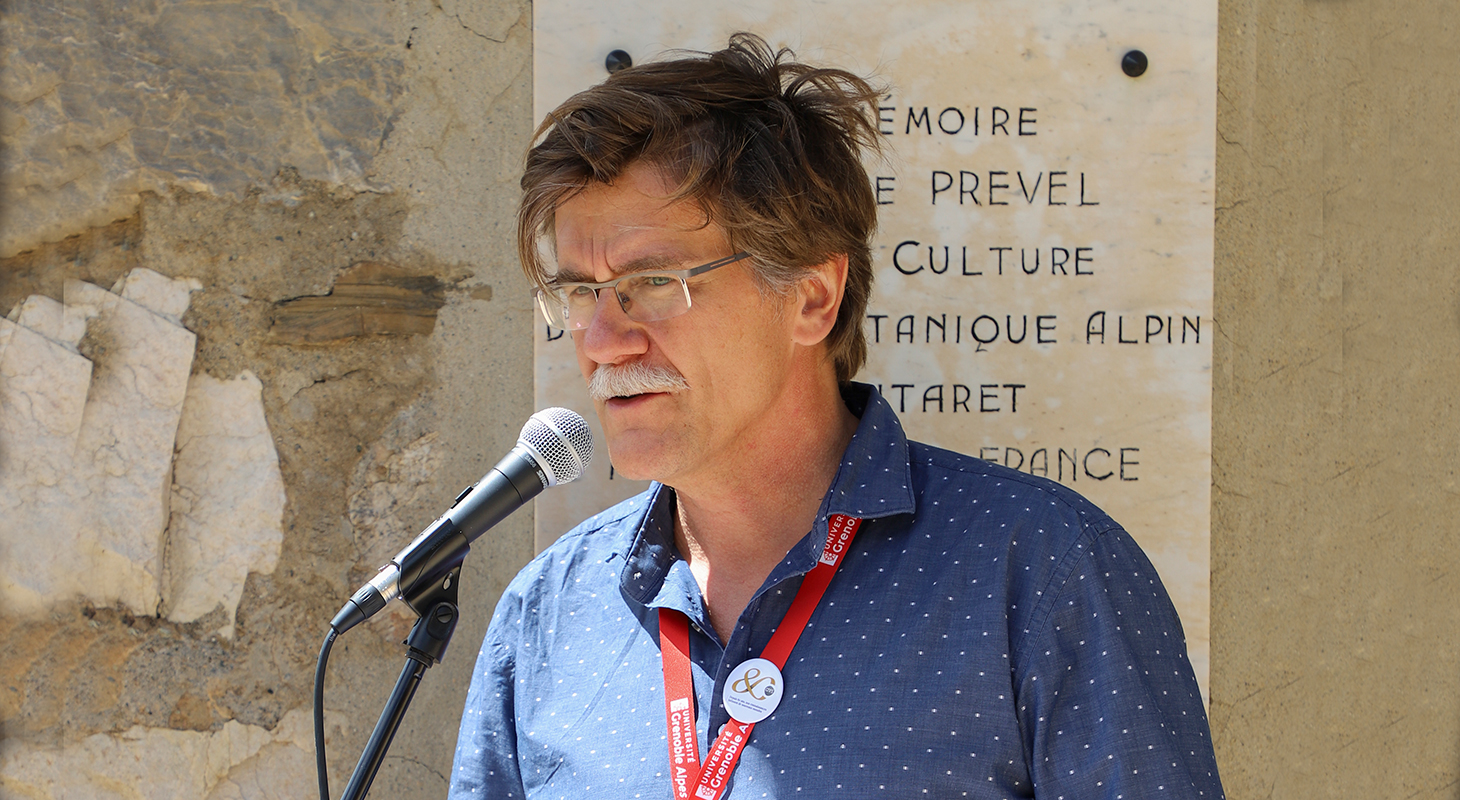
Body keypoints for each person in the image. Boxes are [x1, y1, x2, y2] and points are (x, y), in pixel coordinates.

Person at [450, 33, 1224, 799]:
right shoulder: (548, 609)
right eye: (579, 291)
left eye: (651, 282)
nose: (600, 340)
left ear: (811, 297)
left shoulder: (1042, 570)